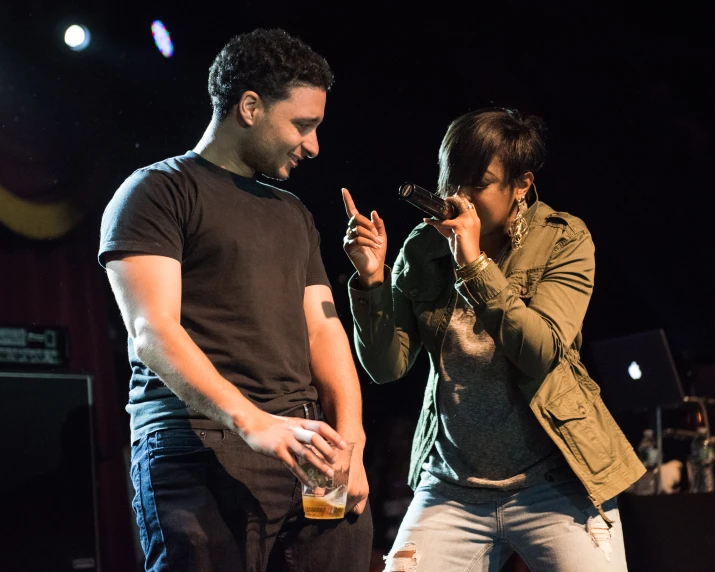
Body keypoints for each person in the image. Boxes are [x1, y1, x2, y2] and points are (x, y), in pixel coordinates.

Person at [99, 28, 372, 572]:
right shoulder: (157, 190)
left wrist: (352, 442)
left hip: (306, 448)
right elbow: (153, 331)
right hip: (199, 445)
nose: (313, 145)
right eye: (303, 125)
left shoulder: (293, 212)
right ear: (250, 106)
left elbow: (324, 330)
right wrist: (254, 423)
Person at [342, 107, 645, 571]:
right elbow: (387, 367)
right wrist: (372, 281)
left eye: (477, 183)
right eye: (451, 182)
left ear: (521, 185)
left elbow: (539, 351)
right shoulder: (424, 248)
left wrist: (474, 264)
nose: (458, 198)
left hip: (553, 479)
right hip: (451, 485)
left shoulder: (564, 240)